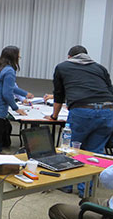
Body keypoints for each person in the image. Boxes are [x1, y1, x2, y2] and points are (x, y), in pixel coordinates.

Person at [47, 45, 113, 197]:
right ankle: (86, 191)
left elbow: (59, 95)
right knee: (94, 153)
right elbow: (110, 91)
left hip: (82, 112)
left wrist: (54, 116)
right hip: (107, 112)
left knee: (71, 149)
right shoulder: (100, 68)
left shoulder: (62, 67)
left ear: (69, 57)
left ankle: (67, 185)